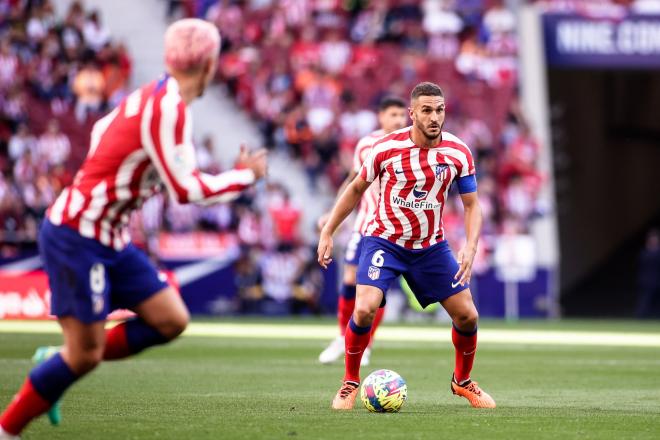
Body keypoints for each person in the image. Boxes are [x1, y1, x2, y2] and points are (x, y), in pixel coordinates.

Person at [0, 19, 267, 439]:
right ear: (210, 64)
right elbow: (185, 189)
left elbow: (102, 131)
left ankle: (57, 359)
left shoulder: (151, 98)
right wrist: (244, 177)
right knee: (85, 355)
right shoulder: (168, 106)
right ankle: (8, 428)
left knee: (171, 319)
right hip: (77, 234)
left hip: (108, 236)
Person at [317, 81, 495, 410]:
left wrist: (470, 246)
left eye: (439, 110)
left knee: (468, 316)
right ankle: (350, 383)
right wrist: (329, 230)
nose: (434, 117)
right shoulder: (386, 148)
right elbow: (356, 189)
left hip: (431, 247)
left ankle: (462, 381)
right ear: (412, 114)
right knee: (365, 307)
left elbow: (472, 205)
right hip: (385, 240)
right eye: (426, 110)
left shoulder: (458, 152)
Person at [317, 96, 407, 366]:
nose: (399, 120)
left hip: (394, 229)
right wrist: (333, 215)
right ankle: (342, 337)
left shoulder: (411, 144)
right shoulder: (367, 144)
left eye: (402, 115)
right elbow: (353, 181)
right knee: (349, 280)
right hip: (365, 222)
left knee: (377, 289)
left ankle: (365, 343)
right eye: (393, 114)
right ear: (380, 117)